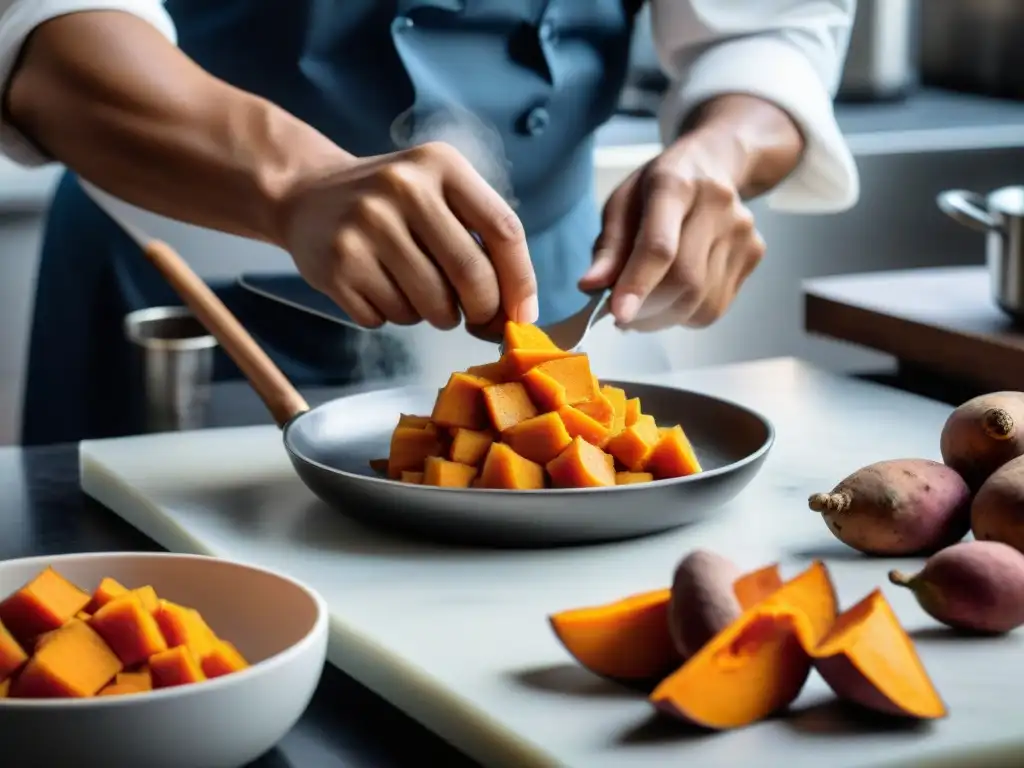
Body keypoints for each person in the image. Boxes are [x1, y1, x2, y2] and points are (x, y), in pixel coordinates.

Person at [0, 0, 858, 446]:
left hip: (562, 290)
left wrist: (720, 154)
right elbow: (39, 27)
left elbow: (769, 29)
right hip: (178, 291)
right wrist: (297, 181)